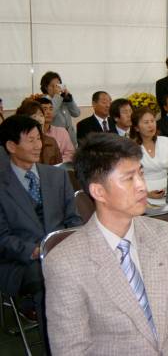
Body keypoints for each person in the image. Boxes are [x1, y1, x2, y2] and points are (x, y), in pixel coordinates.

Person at [42, 133, 168, 355]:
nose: (142, 185)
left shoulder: (167, 236)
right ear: (98, 191)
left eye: (141, 173)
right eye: (129, 178)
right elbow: (71, 349)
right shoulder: (65, 262)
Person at [0, 115, 81, 352]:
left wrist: (67, 243)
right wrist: (34, 251)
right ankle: (55, 348)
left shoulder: (56, 176)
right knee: (47, 278)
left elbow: (73, 219)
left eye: (39, 138)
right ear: (11, 146)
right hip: (21, 262)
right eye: (31, 140)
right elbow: (2, 237)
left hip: (61, 252)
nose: (38, 145)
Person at [130, 107, 168, 207]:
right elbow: (130, 177)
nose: (151, 125)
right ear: (136, 127)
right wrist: (146, 193)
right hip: (144, 191)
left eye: (152, 121)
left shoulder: (164, 141)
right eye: (146, 122)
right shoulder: (131, 147)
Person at [16, 99, 63, 165]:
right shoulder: (19, 143)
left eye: (41, 115)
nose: (39, 119)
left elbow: (59, 167)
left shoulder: (51, 141)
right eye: (34, 116)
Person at [40, 71, 80, 147]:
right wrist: (58, 96)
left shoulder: (62, 99)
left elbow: (77, 113)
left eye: (58, 85)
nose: (57, 88)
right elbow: (50, 115)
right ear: (46, 87)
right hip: (56, 142)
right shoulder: (43, 102)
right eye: (53, 86)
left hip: (71, 141)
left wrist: (69, 99)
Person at [38, 97, 74, 162]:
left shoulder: (62, 131)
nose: (48, 112)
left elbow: (70, 154)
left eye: (51, 109)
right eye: (45, 109)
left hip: (60, 167)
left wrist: (56, 162)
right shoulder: (33, 134)